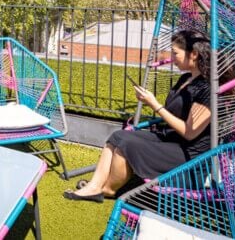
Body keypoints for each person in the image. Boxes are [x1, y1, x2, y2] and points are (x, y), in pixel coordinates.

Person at [63, 29, 214, 203]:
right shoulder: (186, 79)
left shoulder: (207, 89)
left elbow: (190, 132)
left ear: (194, 54)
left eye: (175, 53)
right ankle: (94, 186)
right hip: (171, 137)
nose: (172, 58)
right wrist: (148, 100)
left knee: (127, 144)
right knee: (118, 136)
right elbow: (173, 113)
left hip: (190, 154)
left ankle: (108, 190)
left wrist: (154, 104)